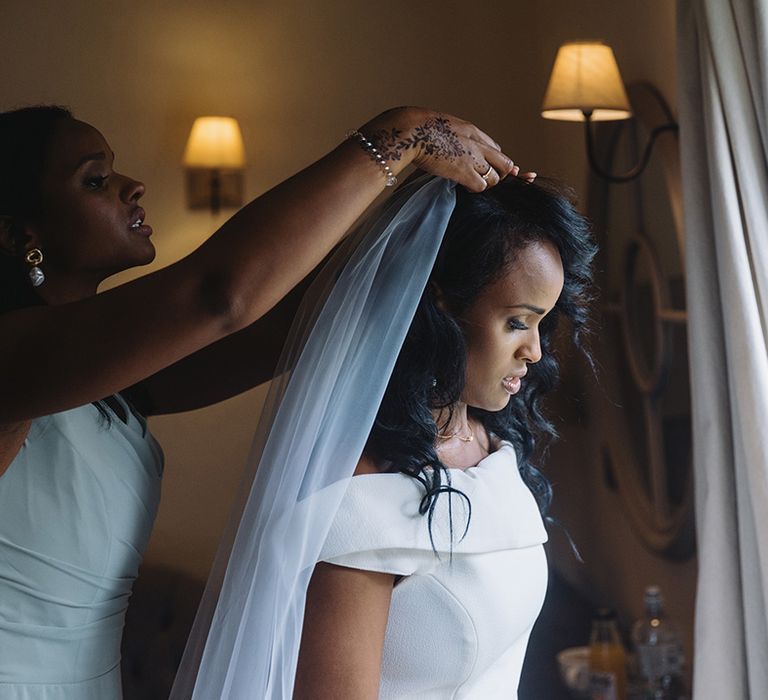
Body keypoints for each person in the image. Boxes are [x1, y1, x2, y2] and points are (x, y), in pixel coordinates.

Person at [0, 104, 520, 699]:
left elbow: (298, 318)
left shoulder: (110, 381)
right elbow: (219, 296)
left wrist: (434, 213)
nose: (131, 186)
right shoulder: (11, 368)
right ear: (21, 236)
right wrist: (396, 137)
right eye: (94, 180)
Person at [171, 174, 596, 699]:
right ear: (440, 305)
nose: (534, 350)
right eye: (516, 323)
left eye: (543, 323)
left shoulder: (491, 446)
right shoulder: (361, 495)